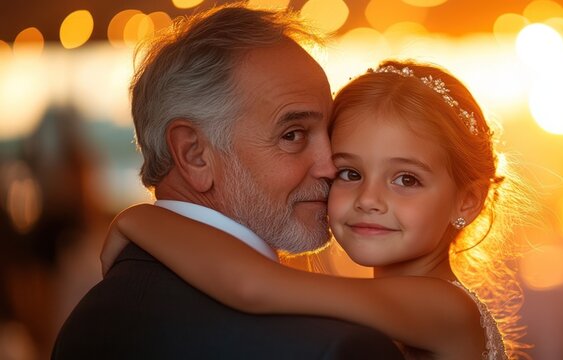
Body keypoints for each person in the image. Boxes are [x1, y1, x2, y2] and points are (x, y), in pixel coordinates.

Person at [103, 60, 530, 359]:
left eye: (406, 180)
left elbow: (252, 286)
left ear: (467, 201)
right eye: (349, 173)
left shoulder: (444, 307)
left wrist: (140, 218)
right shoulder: (402, 302)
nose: (368, 199)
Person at [51, 4, 404, 359]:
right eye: (293, 134)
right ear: (194, 154)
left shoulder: (85, 322)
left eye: (329, 132)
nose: (330, 166)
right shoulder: (335, 346)